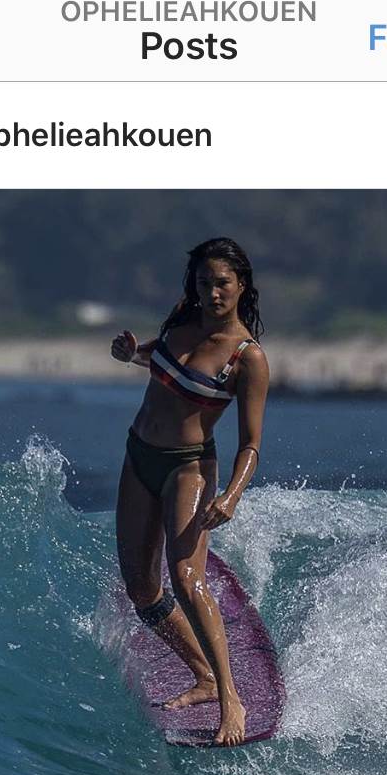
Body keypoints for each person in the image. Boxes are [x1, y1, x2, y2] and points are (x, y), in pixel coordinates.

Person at [112, 237, 270, 746]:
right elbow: (164, 361)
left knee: (185, 575)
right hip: (139, 455)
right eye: (204, 282)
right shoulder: (181, 322)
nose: (212, 292)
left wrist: (232, 496)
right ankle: (202, 675)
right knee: (142, 589)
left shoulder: (247, 357)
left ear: (241, 286)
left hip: (189, 467)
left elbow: (251, 444)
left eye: (222, 283)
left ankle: (231, 698)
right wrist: (132, 354)